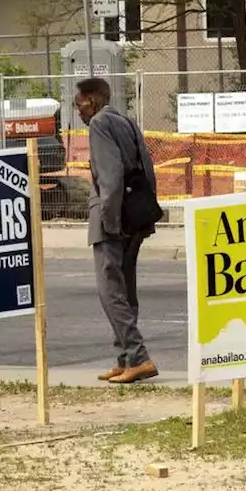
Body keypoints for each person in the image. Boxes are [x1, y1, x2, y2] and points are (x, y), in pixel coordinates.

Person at [75, 77, 159, 384]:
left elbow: (110, 179)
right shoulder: (127, 121)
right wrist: (143, 215)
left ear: (92, 100)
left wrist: (110, 222)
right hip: (135, 216)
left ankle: (138, 356)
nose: (78, 112)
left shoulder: (99, 124)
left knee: (109, 290)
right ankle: (125, 359)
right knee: (125, 290)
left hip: (112, 219)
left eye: (79, 104)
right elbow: (148, 170)